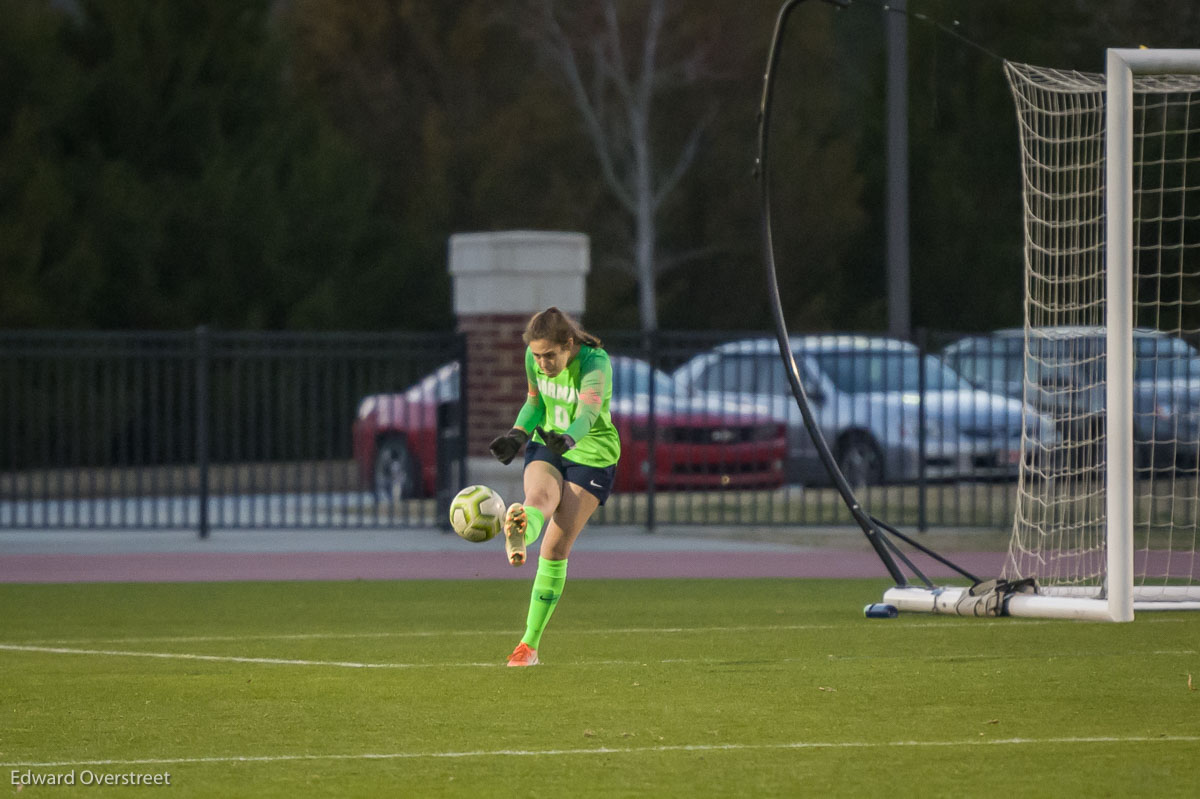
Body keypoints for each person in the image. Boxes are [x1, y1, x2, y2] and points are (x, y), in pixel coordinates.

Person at [488, 307, 621, 667]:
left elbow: (588, 415)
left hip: (591, 455)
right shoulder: (534, 359)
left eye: (550, 356)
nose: (543, 363)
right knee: (539, 498)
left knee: (556, 547)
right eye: (536, 356)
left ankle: (529, 644)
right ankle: (521, 527)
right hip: (548, 441)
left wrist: (570, 438)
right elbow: (535, 402)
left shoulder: (596, 364)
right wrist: (517, 434)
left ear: (569, 344)